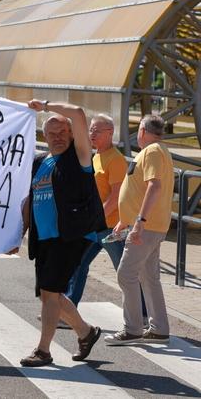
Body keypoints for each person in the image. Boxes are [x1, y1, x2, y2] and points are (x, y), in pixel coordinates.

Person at [18, 100, 106, 367]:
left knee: (50, 291)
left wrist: (44, 105)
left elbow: (79, 113)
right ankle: (86, 332)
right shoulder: (39, 162)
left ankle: (43, 350)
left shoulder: (79, 157)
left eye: (62, 133)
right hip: (44, 238)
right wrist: (18, 236)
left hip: (71, 235)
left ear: (71, 134)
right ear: (44, 136)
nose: (57, 138)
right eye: (52, 133)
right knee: (50, 294)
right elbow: (28, 202)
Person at [105, 115, 173, 345]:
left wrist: (139, 222)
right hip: (150, 225)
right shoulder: (158, 150)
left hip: (146, 226)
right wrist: (126, 220)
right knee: (148, 277)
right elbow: (139, 189)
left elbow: (154, 186)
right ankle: (159, 328)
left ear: (142, 130)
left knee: (126, 274)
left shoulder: (152, 151)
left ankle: (133, 328)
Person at [65, 114, 128, 304]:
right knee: (77, 265)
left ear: (110, 133)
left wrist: (94, 218)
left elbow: (117, 196)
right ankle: (68, 311)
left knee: (125, 273)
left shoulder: (115, 160)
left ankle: (142, 314)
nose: (92, 134)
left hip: (110, 228)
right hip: (93, 227)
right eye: (90, 129)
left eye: (96, 130)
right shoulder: (96, 156)